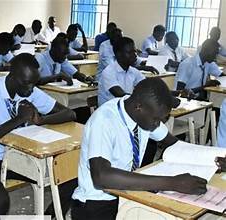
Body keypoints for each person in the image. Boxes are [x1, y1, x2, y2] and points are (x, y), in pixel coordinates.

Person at [71, 77, 226, 220]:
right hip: (97, 203)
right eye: (156, 119)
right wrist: (172, 183)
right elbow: (101, 177)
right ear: (139, 107)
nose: (158, 124)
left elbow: (174, 143)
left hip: (127, 192)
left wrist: (216, 157)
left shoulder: (144, 115)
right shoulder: (105, 120)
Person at [0, 53, 76, 214]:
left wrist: (41, 120)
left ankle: (49, 216)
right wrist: (19, 119)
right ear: (12, 76)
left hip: (17, 156)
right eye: (26, 83)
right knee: (0, 199)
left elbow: (69, 114)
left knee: (71, 176)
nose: (31, 88)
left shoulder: (29, 89)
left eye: (34, 83)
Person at [98, 37, 145, 106]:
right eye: (130, 52)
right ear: (118, 54)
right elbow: (121, 95)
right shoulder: (108, 72)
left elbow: (146, 85)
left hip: (125, 109)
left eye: (135, 51)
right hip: (110, 113)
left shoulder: (133, 71)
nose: (135, 55)